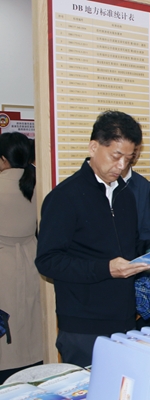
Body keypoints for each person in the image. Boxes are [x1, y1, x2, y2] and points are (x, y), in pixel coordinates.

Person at [36, 111, 150, 367]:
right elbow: (48, 261)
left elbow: (128, 247)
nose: (122, 166)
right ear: (93, 147)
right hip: (83, 325)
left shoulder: (125, 195)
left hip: (124, 318)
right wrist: (106, 268)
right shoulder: (65, 197)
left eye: (129, 158)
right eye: (116, 156)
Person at [0, 132, 42, 383]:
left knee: (7, 328)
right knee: (32, 323)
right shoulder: (38, 182)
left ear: (3, 159)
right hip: (32, 257)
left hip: (3, 263)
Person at [121, 145, 150, 241]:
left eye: (137, 148)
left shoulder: (143, 184)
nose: (134, 151)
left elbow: (147, 229)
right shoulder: (104, 181)